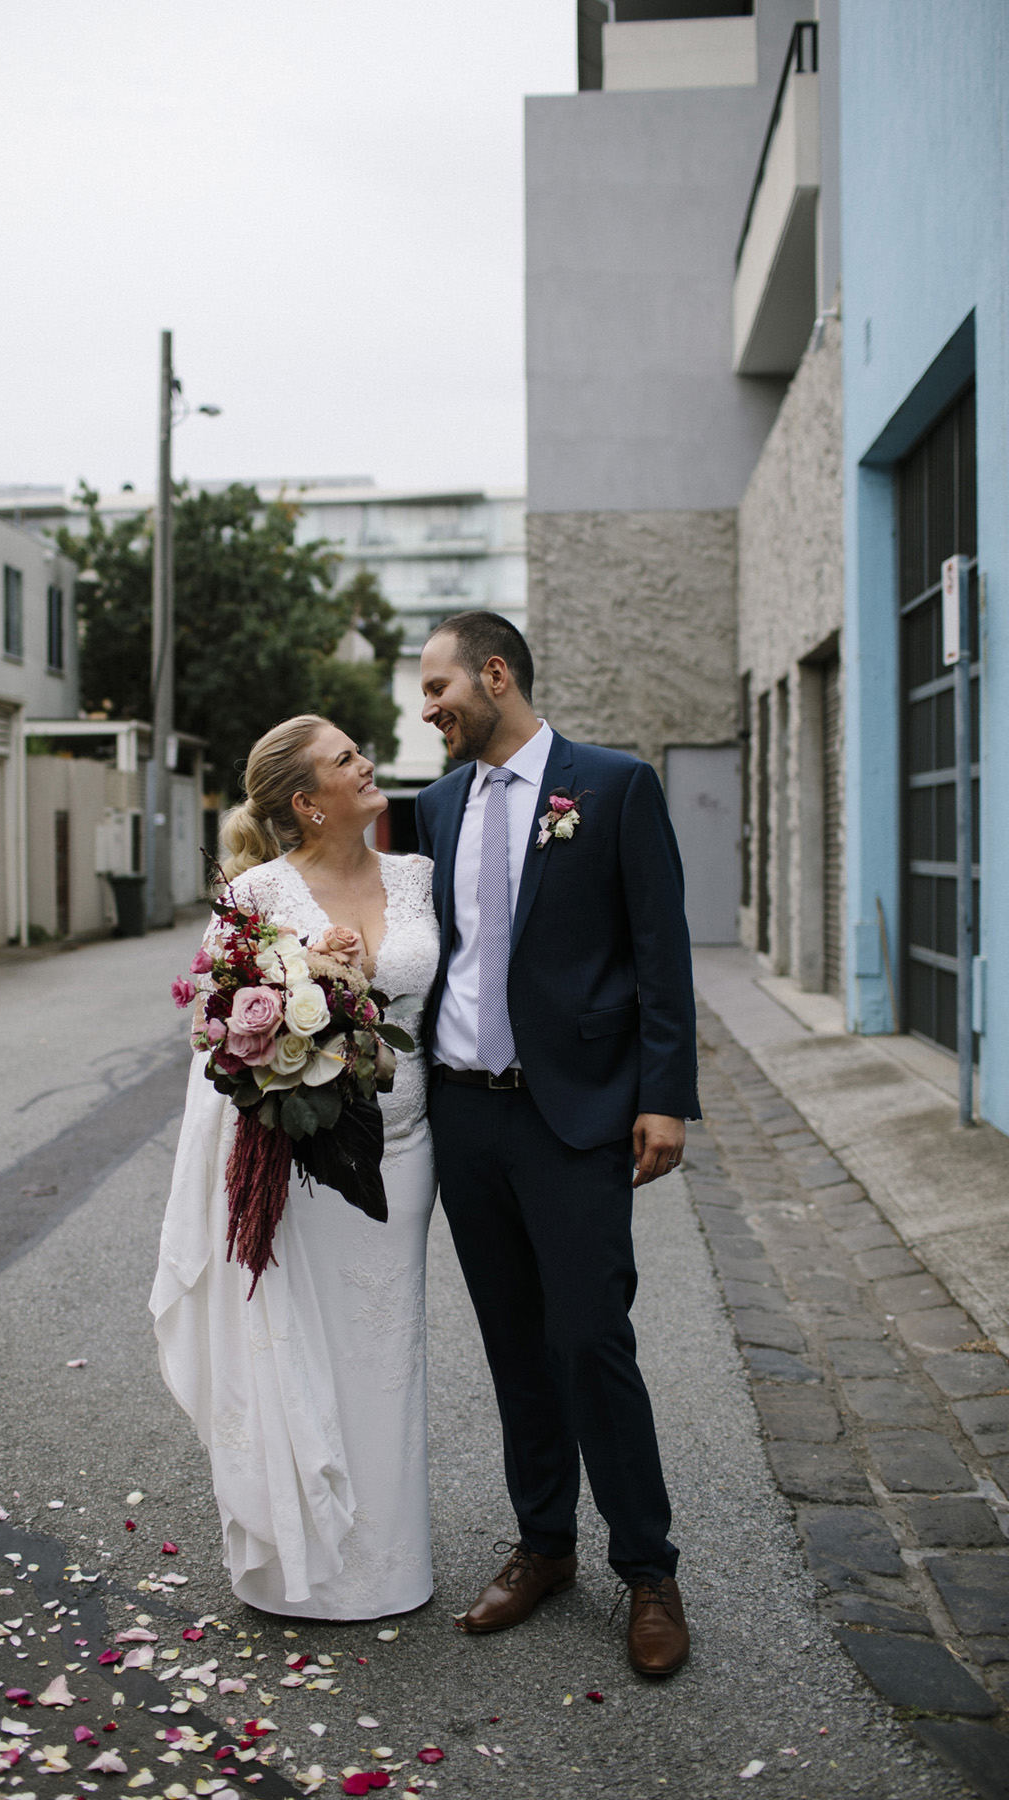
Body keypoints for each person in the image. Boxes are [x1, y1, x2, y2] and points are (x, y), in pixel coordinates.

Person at [416, 613, 699, 1676]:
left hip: (572, 1113)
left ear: (496, 675)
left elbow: (659, 949)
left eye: (441, 685)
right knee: (514, 1346)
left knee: (590, 1339)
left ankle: (649, 1570)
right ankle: (544, 1546)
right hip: (464, 1115)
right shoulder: (436, 804)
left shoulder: (613, 786)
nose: (430, 707)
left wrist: (664, 1095)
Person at [150, 715, 439, 1619]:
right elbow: (222, 1032)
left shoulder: (419, 877)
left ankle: (391, 1563)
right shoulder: (260, 894)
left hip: (414, 1146)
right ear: (307, 803)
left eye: (361, 751)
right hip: (306, 1162)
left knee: (390, 1348)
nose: (368, 764)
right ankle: (303, 1556)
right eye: (347, 759)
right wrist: (292, 1018)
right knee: (308, 1344)